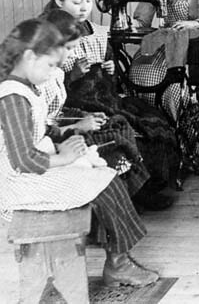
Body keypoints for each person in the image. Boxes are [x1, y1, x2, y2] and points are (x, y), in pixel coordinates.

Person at [0, 19, 158, 286]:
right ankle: (118, 263)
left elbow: (39, 133)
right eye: (50, 65)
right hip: (19, 184)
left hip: (35, 169)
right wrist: (64, 158)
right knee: (104, 181)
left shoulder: (27, 89)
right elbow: (22, 158)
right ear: (29, 57)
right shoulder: (12, 97)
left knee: (103, 172)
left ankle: (119, 259)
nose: (53, 72)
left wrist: (63, 142)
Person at [43, 0, 177, 210]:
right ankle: (136, 193)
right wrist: (74, 74)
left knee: (151, 118)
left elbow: (109, 77)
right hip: (72, 103)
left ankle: (150, 185)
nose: (84, 8)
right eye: (77, 2)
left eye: (87, 1)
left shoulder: (95, 31)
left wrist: (110, 67)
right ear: (59, 1)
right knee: (118, 124)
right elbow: (48, 88)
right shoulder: (50, 34)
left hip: (100, 95)